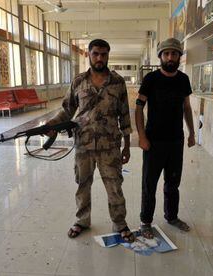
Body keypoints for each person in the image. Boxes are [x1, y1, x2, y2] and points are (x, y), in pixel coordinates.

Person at [46, 39, 134, 242]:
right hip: (83, 145)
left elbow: (124, 115)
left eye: (104, 54)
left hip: (110, 147)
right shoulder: (79, 81)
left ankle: (119, 223)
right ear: (89, 55)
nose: (100, 58)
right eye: (96, 54)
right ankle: (82, 220)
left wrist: (127, 145)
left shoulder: (118, 82)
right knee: (82, 184)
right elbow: (67, 109)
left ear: (108, 55)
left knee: (114, 186)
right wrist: (52, 124)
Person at [135, 38, 195, 239]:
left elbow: (186, 107)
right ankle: (146, 221)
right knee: (149, 184)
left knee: (173, 182)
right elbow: (138, 108)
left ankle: (172, 217)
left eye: (174, 54)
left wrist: (192, 132)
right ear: (160, 56)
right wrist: (141, 137)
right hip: (153, 142)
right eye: (166, 54)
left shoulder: (183, 80)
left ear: (179, 56)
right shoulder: (151, 79)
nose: (170, 57)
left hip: (176, 141)